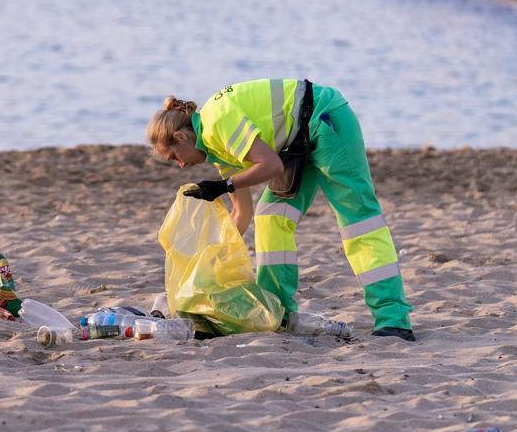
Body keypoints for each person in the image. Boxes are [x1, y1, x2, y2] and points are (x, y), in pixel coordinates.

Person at [146, 78, 414, 341]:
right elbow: (242, 212)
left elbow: (271, 165)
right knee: (269, 216)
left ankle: (394, 319)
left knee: (358, 222)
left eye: (174, 157)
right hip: (297, 144)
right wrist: (213, 260)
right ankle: (279, 312)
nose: (180, 165)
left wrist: (223, 185)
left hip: (327, 119)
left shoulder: (217, 123)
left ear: (181, 137)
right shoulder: (217, 150)